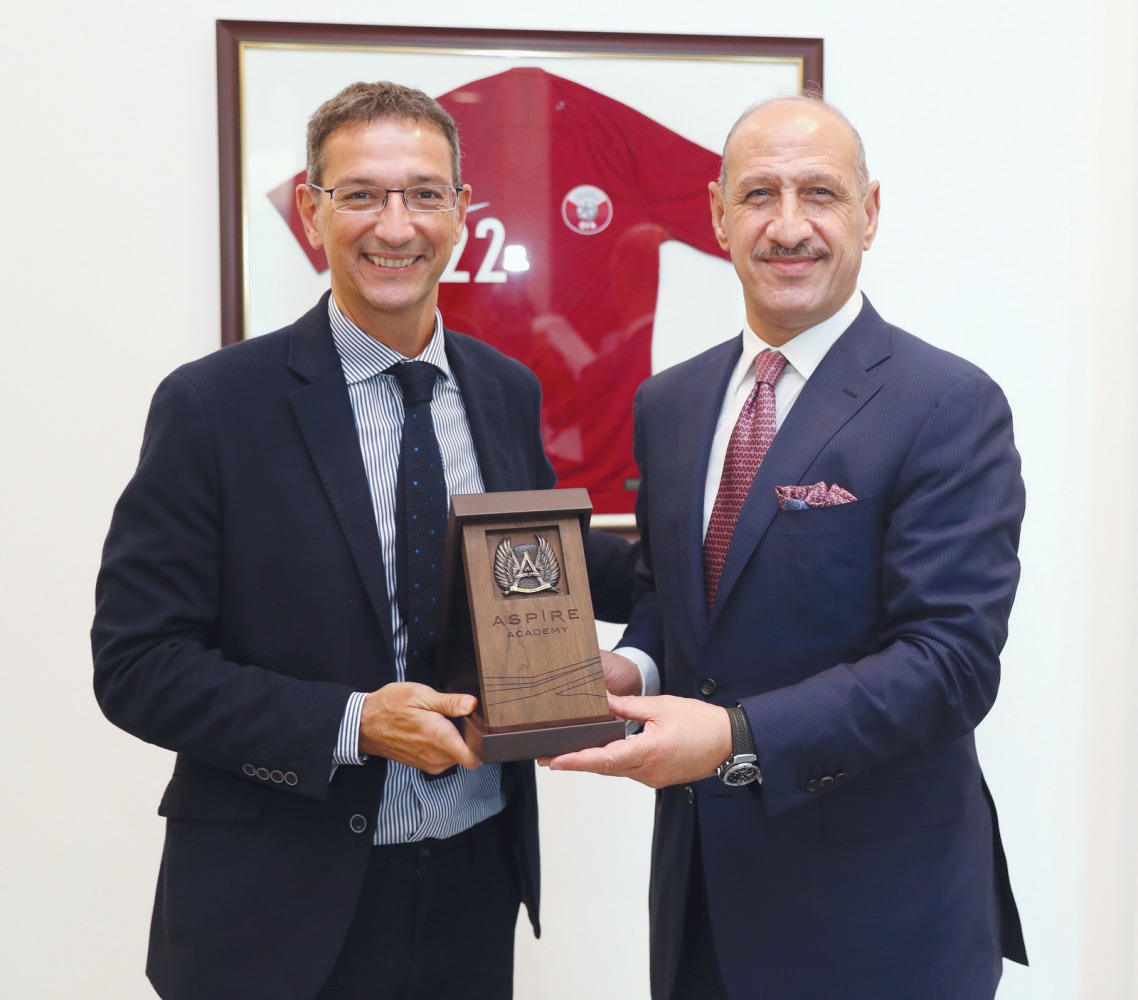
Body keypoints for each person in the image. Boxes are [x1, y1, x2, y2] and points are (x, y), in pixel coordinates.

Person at [92, 81, 634, 1000]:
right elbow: (138, 664)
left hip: (473, 880)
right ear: (312, 210)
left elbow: (530, 563)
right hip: (274, 909)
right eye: (362, 194)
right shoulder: (213, 407)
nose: (397, 224)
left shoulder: (505, 391)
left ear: (462, 214)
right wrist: (352, 724)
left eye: (425, 193)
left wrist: (712, 566)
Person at [546, 94, 1029, 1000]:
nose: (789, 226)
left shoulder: (946, 404)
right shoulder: (671, 404)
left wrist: (733, 737)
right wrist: (637, 669)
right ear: (719, 213)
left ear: (870, 212)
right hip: (702, 905)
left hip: (881, 917)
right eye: (760, 194)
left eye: (821, 193)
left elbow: (950, 663)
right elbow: (671, 595)